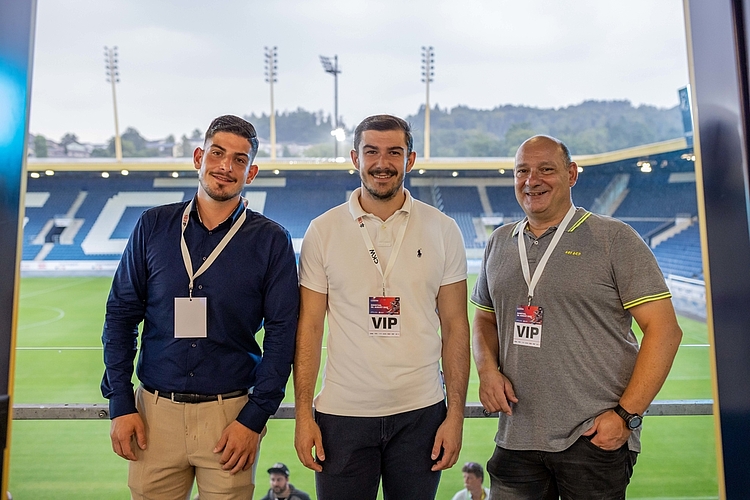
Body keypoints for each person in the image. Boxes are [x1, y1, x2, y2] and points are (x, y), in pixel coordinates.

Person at [471, 134, 683, 499]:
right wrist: (487, 369)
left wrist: (626, 416)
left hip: (592, 439)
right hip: (516, 437)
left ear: (571, 174)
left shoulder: (613, 238)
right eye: (522, 171)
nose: (531, 180)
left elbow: (665, 331)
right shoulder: (499, 241)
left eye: (545, 170)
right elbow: (484, 320)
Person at [101, 115, 299, 500]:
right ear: (198, 157)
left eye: (239, 160)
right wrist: (121, 402)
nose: (226, 167)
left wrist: (253, 419)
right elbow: (121, 316)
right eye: (217, 153)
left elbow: (282, 334)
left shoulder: (271, 240)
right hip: (153, 415)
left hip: (230, 418)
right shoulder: (153, 225)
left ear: (252, 172)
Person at [294, 114, 470, 499]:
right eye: (371, 151)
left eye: (394, 152)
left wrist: (455, 416)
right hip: (343, 414)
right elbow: (309, 327)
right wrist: (303, 414)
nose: (382, 162)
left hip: (421, 413)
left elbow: (457, 327)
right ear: (355, 158)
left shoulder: (443, 229)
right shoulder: (323, 230)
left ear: (411, 159)